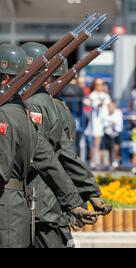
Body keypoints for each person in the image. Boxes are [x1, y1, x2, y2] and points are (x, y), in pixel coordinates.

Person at [0, 43, 95, 248]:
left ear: (5, 78)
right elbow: (51, 159)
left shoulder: (10, 113)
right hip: (24, 207)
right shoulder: (23, 112)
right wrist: (76, 200)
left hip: (12, 209)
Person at [21, 42, 112, 248]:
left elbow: (49, 155)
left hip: (37, 197)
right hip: (51, 198)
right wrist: (88, 193)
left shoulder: (34, 104)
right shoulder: (55, 105)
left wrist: (84, 196)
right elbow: (67, 156)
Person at [85, 78, 111, 170]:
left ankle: (103, 162)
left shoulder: (106, 95)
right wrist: (102, 100)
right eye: (98, 84)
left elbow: (109, 107)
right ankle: (94, 162)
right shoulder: (93, 95)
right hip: (96, 124)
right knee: (96, 143)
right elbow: (96, 105)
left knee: (104, 144)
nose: (100, 86)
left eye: (101, 84)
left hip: (105, 123)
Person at [101, 101, 123, 169]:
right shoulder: (105, 113)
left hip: (116, 133)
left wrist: (110, 122)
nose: (110, 108)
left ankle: (116, 160)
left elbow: (117, 122)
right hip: (108, 133)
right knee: (109, 149)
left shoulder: (118, 112)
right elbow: (104, 123)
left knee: (116, 147)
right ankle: (111, 163)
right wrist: (111, 123)